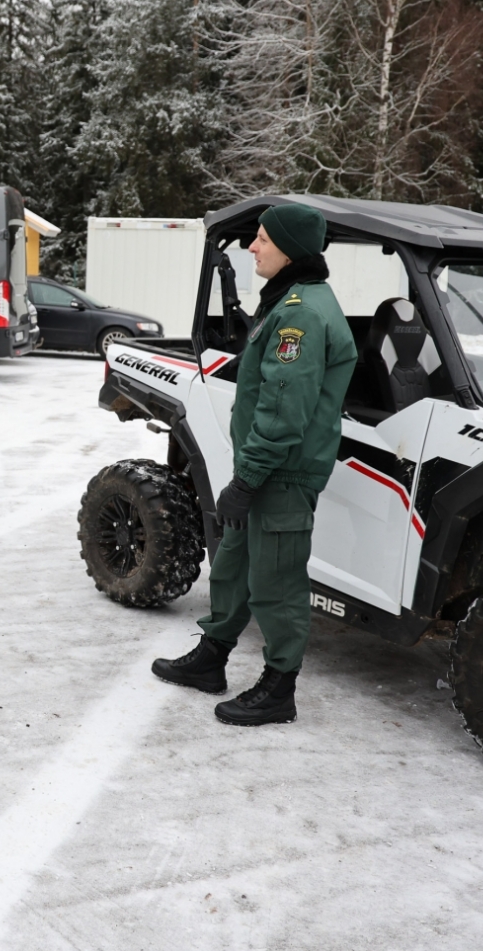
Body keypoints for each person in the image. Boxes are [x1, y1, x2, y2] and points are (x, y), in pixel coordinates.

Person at [150, 204, 355, 726]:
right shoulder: (288, 302)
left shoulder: (302, 315)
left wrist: (247, 478)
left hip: (279, 473)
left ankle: (279, 688)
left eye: (261, 238)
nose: (251, 247)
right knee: (235, 564)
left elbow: (284, 414)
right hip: (264, 470)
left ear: (290, 249)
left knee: (277, 582)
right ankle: (212, 657)